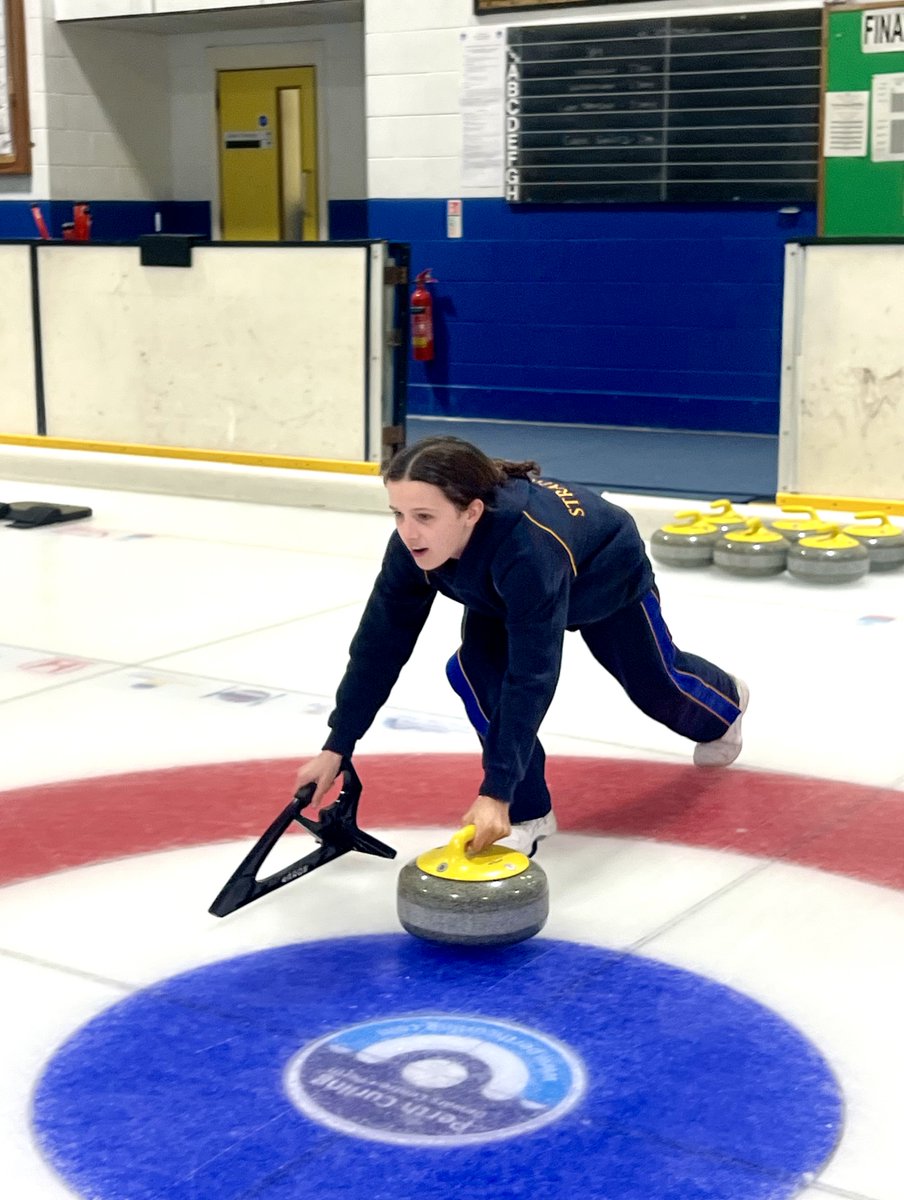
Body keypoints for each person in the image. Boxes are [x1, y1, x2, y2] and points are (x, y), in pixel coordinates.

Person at [295, 436, 748, 856]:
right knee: (476, 670)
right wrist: (339, 742)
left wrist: (494, 790)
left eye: (425, 517)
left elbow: (532, 675)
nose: (408, 533)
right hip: (502, 591)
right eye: (398, 514)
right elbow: (380, 641)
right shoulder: (412, 549)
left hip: (603, 575)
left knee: (656, 686)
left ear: (470, 511)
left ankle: (726, 705)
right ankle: (528, 812)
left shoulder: (529, 550)